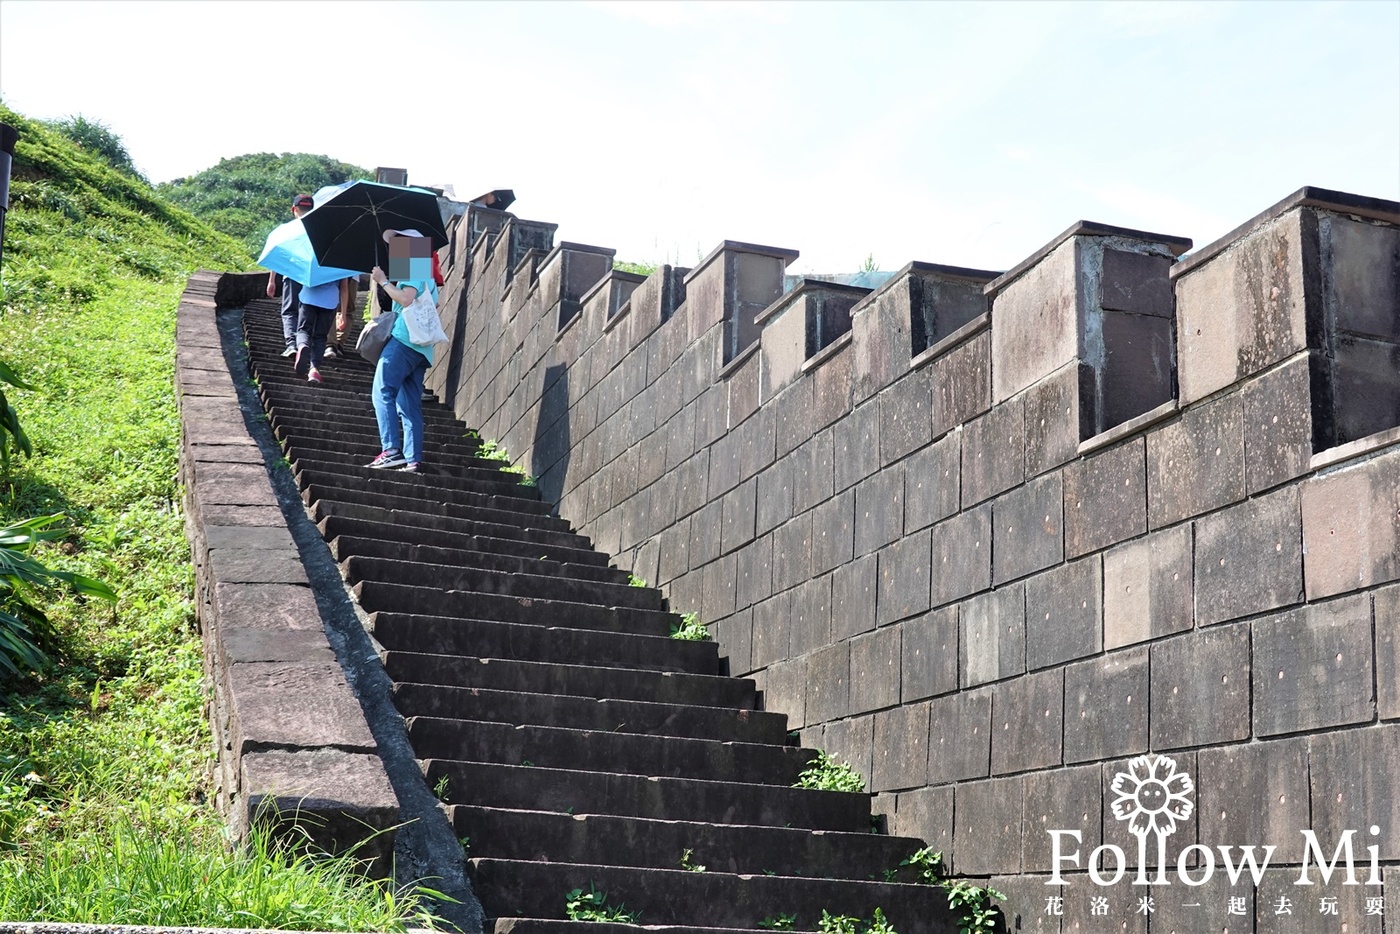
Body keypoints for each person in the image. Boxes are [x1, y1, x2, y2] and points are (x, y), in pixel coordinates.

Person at [366, 229, 438, 471]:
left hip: (404, 340)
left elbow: (406, 299)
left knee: (382, 391)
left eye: (398, 244)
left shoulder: (414, 266)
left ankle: (391, 450)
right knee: (408, 404)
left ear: (410, 247)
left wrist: (382, 280)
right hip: (422, 348)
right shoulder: (426, 274)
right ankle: (412, 458)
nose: (394, 250)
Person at [265, 194, 315, 356]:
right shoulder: (319, 230)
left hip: (292, 275)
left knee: (289, 311)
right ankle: (304, 344)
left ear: (294, 209)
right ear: (312, 209)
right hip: (312, 277)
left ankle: (292, 345)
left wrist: (272, 280)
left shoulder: (286, 230)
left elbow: (277, 255)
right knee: (306, 311)